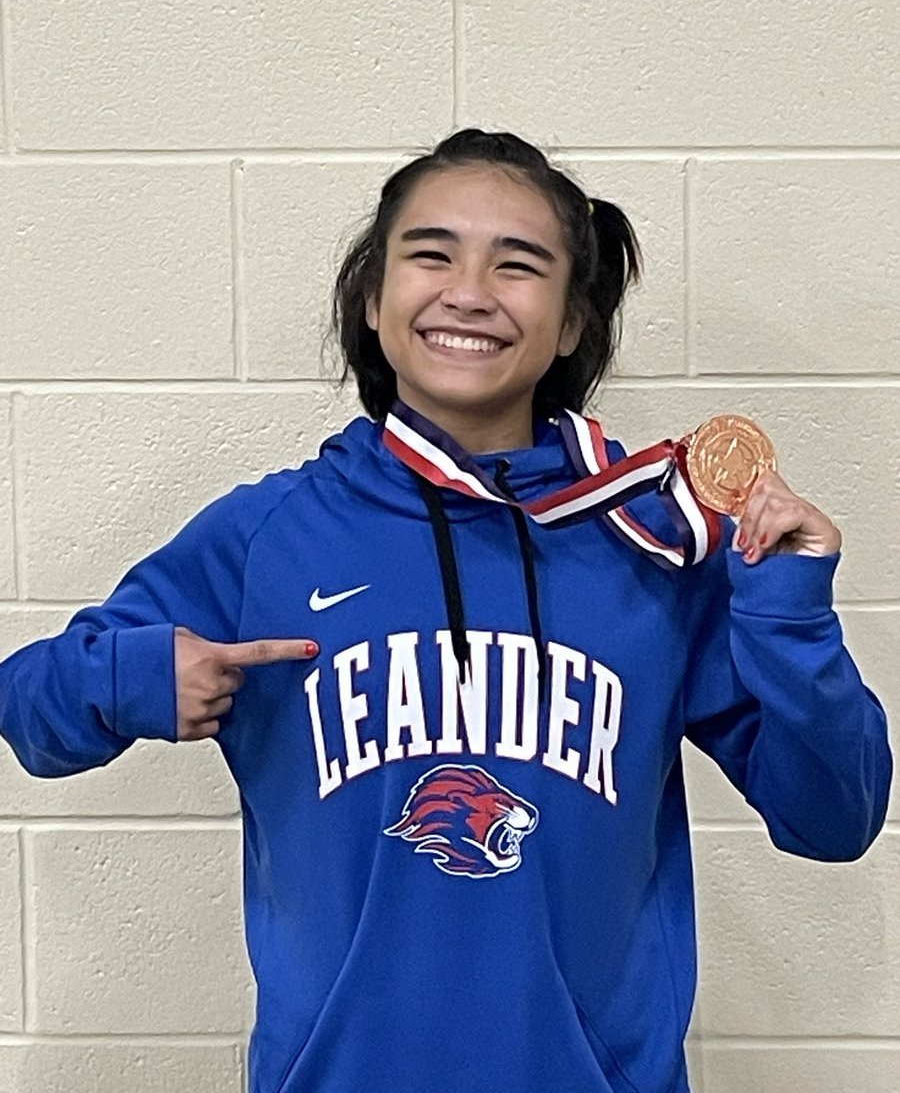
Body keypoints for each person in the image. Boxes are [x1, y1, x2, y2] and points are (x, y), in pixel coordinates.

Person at [0, 128, 892, 1093]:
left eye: (519, 266)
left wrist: (790, 615)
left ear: (571, 325)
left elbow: (834, 818)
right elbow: (30, 713)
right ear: (374, 303)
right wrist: (132, 678)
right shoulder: (269, 537)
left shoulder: (653, 543)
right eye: (431, 255)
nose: (469, 291)